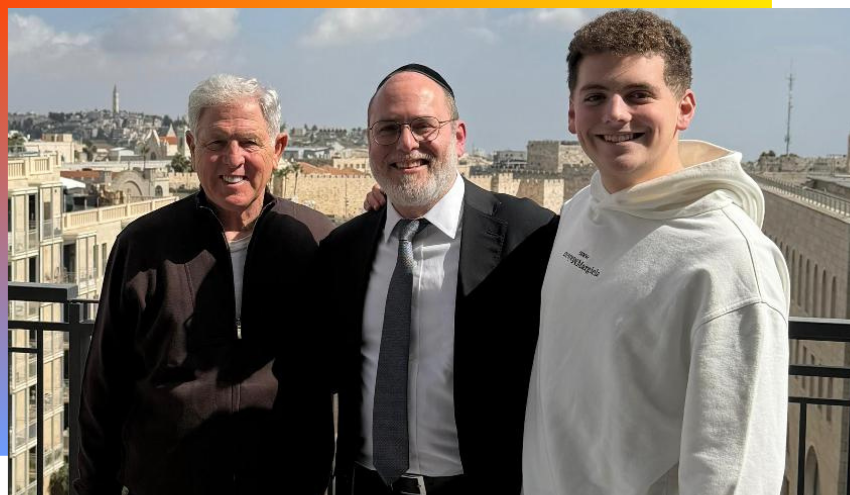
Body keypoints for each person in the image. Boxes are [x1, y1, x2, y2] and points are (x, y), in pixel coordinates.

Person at [522, 10, 790, 495]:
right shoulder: (582, 208)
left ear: (684, 108)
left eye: (639, 94)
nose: (615, 114)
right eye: (596, 96)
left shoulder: (730, 259)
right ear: (571, 113)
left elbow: (736, 469)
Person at [75, 74, 335, 495]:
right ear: (193, 150)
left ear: (278, 149)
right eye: (216, 143)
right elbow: (103, 387)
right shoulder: (144, 246)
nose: (233, 159)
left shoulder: (316, 240)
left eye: (249, 142)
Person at [318, 64, 555, 495]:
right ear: (370, 141)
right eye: (387, 129)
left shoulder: (527, 236)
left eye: (423, 126)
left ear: (459, 136)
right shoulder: (344, 250)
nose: (406, 144)